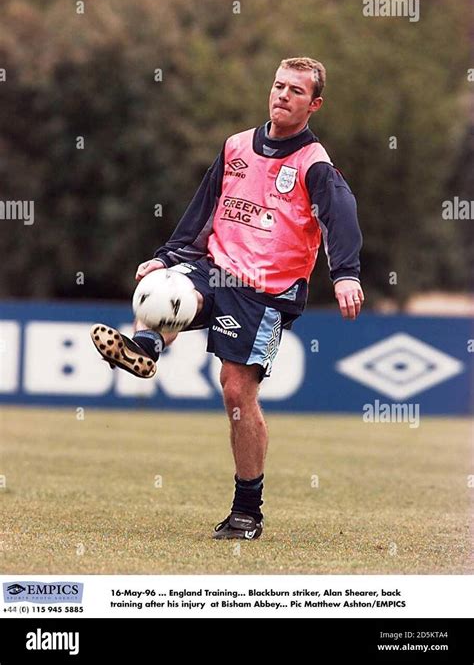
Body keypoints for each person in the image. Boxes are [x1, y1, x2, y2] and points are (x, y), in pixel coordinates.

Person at [91, 56, 364, 540]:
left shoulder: (314, 165)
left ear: (314, 104)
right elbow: (204, 208)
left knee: (236, 391)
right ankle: (146, 349)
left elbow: (339, 217)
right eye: (278, 86)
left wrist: (345, 274)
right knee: (158, 288)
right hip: (213, 265)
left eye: (296, 91)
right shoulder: (236, 145)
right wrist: (167, 256)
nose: (282, 95)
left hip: (263, 291)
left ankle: (247, 511)